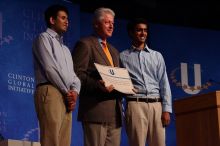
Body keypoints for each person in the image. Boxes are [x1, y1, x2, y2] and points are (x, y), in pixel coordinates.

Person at [72, 7, 122, 146]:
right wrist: (97, 85)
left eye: (112, 23)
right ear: (95, 24)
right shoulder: (85, 44)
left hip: (115, 114)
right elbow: (77, 75)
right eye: (107, 22)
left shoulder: (114, 51)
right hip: (95, 111)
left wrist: (127, 87)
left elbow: (116, 77)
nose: (111, 25)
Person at [32, 4, 81, 146]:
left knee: (64, 142)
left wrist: (75, 93)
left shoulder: (65, 49)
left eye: (68, 19)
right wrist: (68, 92)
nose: (67, 21)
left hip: (66, 97)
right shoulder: (43, 38)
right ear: (52, 20)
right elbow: (49, 69)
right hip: (51, 91)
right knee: (51, 140)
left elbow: (74, 77)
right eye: (63, 18)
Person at [120, 18, 172, 146]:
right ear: (131, 33)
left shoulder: (157, 56)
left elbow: (164, 83)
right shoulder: (122, 56)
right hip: (135, 104)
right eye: (139, 30)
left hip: (156, 105)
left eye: (145, 30)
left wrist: (166, 109)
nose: (143, 33)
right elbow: (120, 85)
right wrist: (122, 112)